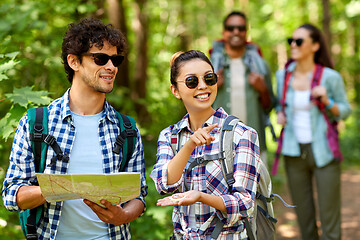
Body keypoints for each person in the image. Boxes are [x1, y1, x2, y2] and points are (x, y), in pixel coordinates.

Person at [2, 18, 147, 240]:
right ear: (74, 61)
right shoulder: (36, 123)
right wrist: (61, 187)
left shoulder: (126, 129)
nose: (111, 67)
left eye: (116, 59)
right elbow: (12, 195)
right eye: (100, 58)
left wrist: (123, 216)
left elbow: (139, 196)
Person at [150, 50, 262, 239]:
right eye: (192, 81)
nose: (203, 86)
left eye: (209, 78)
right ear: (175, 91)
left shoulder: (242, 134)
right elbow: (164, 184)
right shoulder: (170, 136)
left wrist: (201, 197)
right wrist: (189, 146)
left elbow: (245, 204)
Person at [275, 24, 351, 240]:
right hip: (293, 153)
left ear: (315, 45)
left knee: (330, 219)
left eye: (299, 41)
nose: (293, 44)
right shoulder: (282, 76)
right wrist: (280, 113)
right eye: (291, 40)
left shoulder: (330, 77)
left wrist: (328, 101)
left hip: (324, 152)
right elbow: (280, 105)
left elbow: (345, 111)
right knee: (304, 218)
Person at [210, 11, 275, 166]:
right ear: (224, 32)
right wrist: (212, 87)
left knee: (259, 191)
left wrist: (263, 90)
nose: (236, 32)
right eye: (231, 28)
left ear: (246, 32)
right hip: (217, 146)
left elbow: (269, 107)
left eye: (240, 28)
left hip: (254, 145)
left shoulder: (260, 66)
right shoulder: (209, 67)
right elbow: (195, 107)